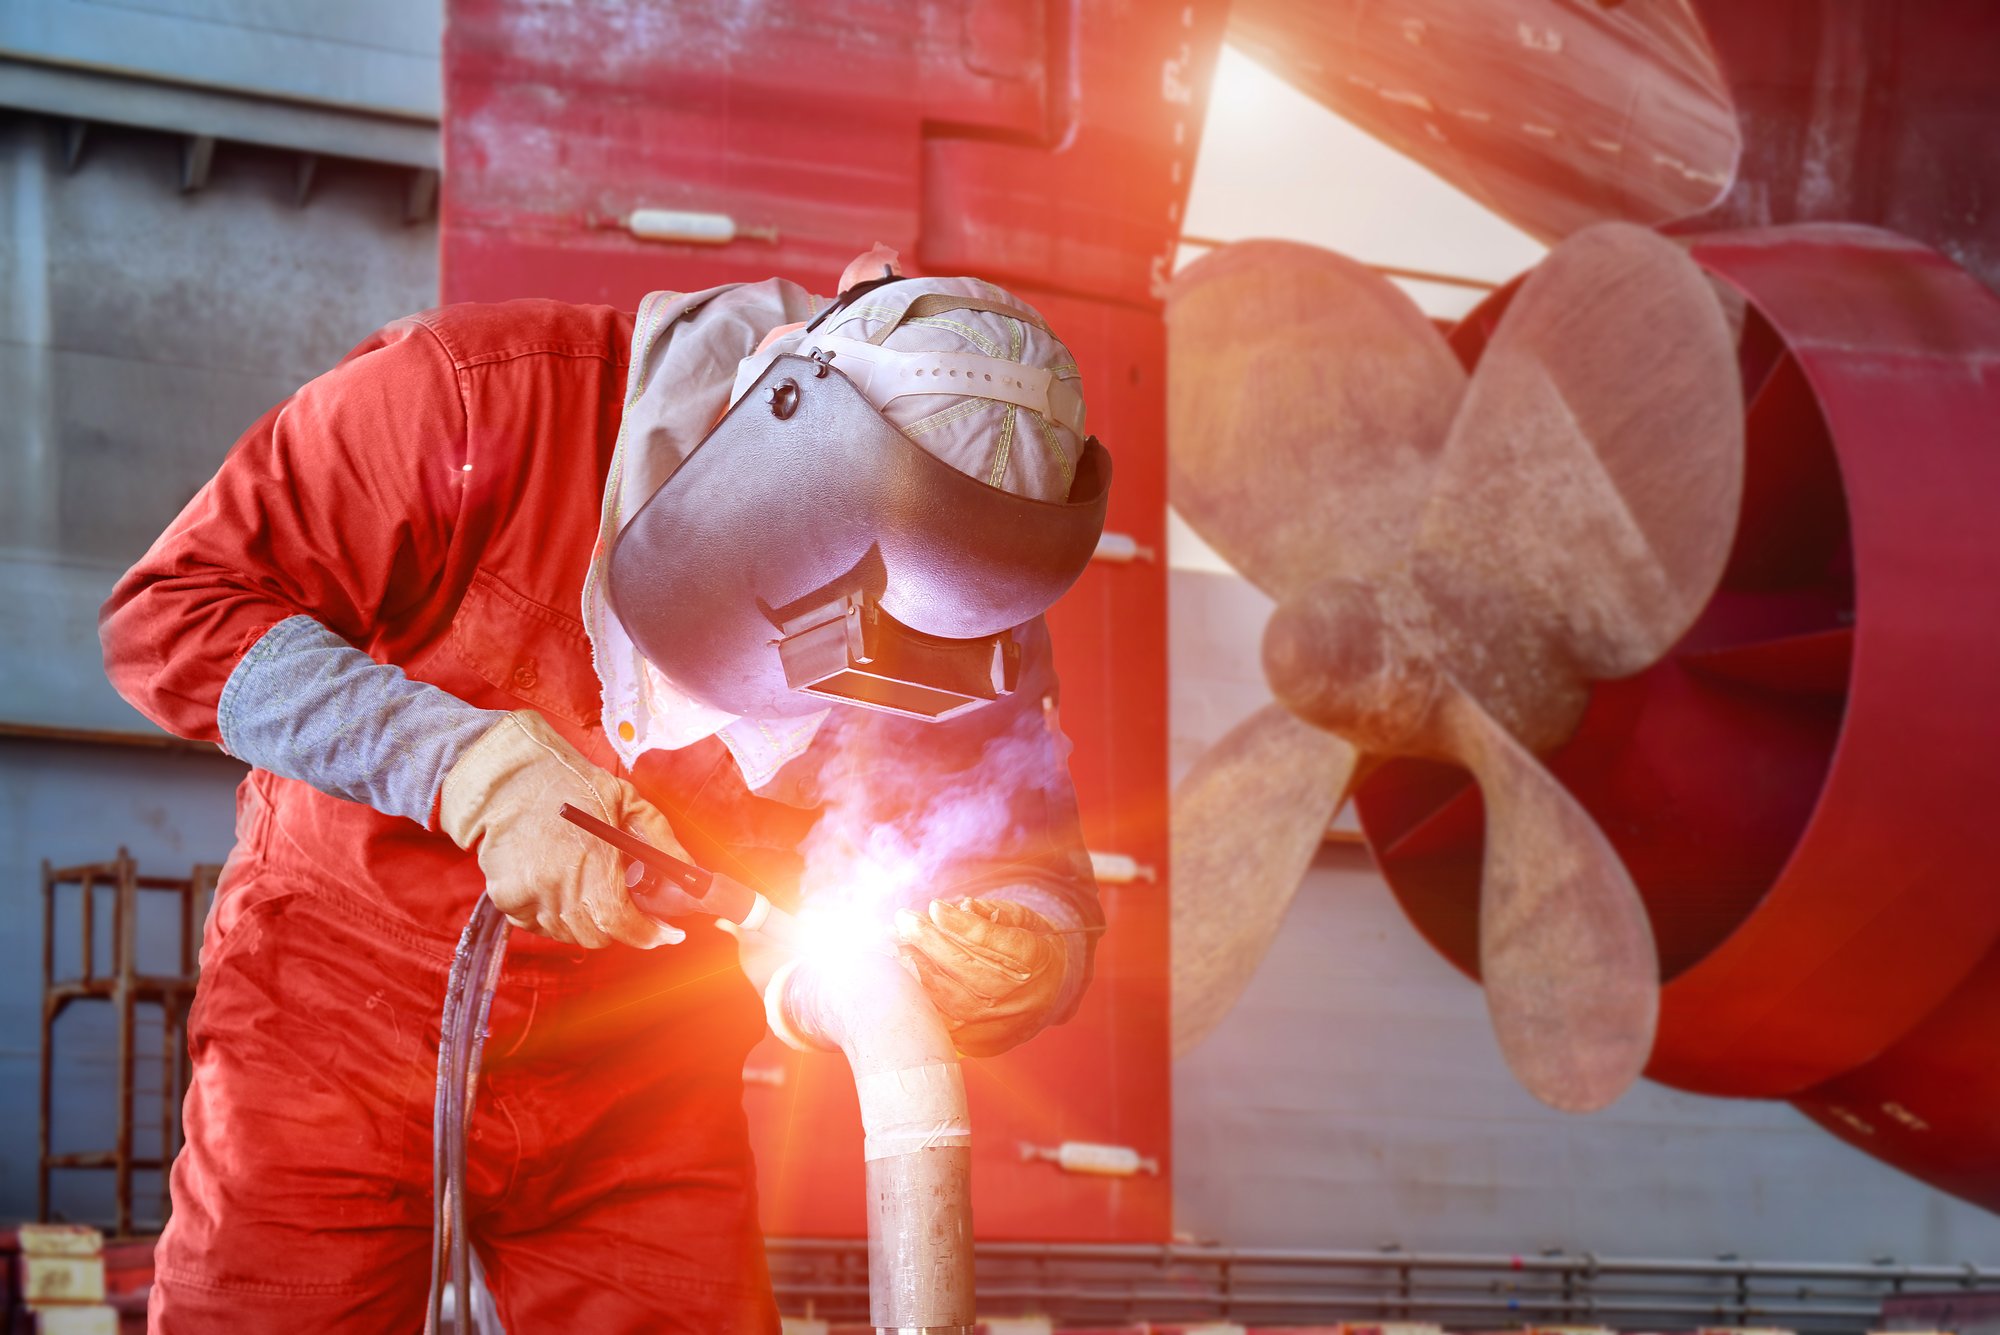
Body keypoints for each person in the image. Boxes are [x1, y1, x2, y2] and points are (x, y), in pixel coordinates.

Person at [100, 248, 1107, 1333]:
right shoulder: (482, 400)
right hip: (334, 1035)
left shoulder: (967, 632)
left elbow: (1027, 872)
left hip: (644, 1088)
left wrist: (1021, 954)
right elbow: (172, 614)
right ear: (765, 412)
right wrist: (468, 769)